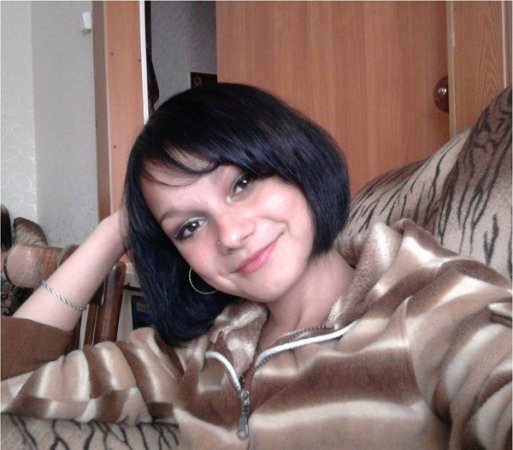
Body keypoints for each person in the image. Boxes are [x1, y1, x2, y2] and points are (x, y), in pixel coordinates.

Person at [1, 84, 511, 449]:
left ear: (296, 160)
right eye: (189, 226)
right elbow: (10, 381)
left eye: (242, 183)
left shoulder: (436, 303)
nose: (231, 234)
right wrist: (116, 230)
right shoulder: (197, 352)